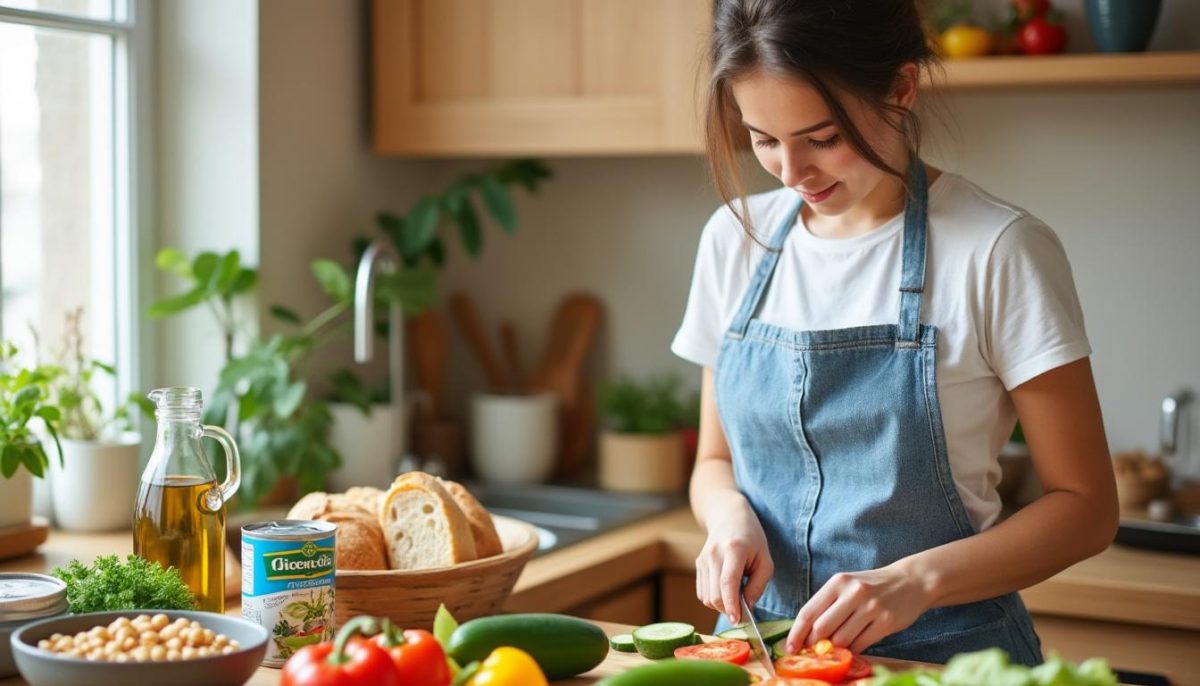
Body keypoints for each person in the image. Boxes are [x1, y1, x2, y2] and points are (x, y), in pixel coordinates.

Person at [672, 0, 1119, 667]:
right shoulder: (735, 238)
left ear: (901, 89)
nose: (792, 173)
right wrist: (729, 517)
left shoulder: (997, 249)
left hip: (950, 660)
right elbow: (714, 463)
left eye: (822, 138)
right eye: (764, 139)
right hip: (764, 657)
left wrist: (914, 581)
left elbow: (1087, 508)